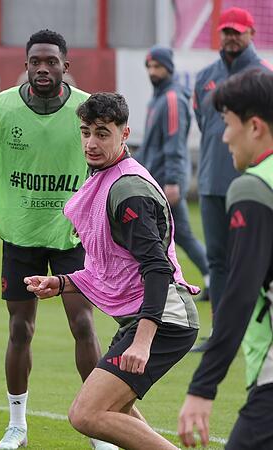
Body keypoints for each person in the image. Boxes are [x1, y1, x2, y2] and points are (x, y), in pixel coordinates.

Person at [0, 29, 109, 450]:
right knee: (21, 330)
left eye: (51, 62)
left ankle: (99, 427)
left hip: (71, 234)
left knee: (83, 324)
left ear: (66, 65)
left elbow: (107, 162)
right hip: (21, 233)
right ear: (25, 65)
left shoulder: (87, 109)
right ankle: (17, 426)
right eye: (35, 62)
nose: (43, 68)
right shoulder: (0, 106)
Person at [25, 92, 199, 450]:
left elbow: (156, 267)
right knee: (115, 412)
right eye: (86, 131)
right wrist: (58, 283)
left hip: (163, 320)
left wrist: (143, 340)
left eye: (102, 133)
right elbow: (111, 266)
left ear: (124, 133)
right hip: (148, 317)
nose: (91, 142)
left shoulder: (128, 190)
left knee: (85, 415)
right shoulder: (105, 177)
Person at [177, 70, 273, 449]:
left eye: (227, 123)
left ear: (253, 126)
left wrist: (203, 386)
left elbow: (239, 293)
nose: (223, 136)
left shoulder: (253, 188)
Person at [192, 7, 271, 336]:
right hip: (212, 182)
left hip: (253, 182)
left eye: (238, 31)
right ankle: (222, 333)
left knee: (257, 261)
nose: (231, 37)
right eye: (226, 31)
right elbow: (203, 122)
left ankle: (257, 330)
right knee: (218, 261)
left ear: (252, 33)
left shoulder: (264, 76)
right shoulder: (205, 76)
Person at [136, 46, 209, 300]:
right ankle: (210, 281)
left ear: (169, 68)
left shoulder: (171, 99)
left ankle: (208, 281)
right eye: (150, 67)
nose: (153, 72)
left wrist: (173, 181)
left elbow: (174, 144)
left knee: (170, 236)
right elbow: (149, 145)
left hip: (165, 183)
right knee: (176, 235)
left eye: (158, 67)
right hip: (155, 180)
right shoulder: (157, 98)